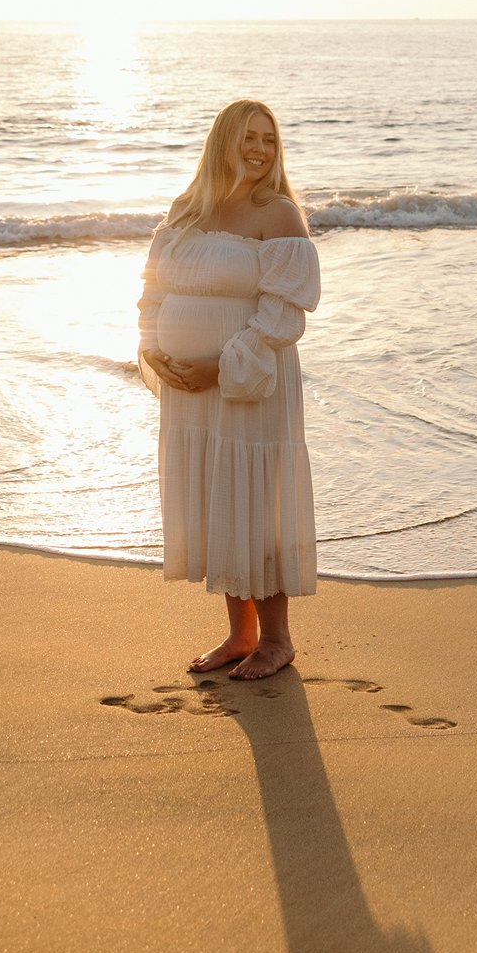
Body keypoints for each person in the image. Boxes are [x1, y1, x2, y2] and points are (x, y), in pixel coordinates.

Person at [138, 100, 320, 681]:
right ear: (222, 142)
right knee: (221, 499)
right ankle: (241, 635)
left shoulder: (280, 215)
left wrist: (219, 367)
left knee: (257, 501)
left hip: (251, 379)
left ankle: (278, 641)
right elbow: (153, 288)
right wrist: (152, 348)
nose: (260, 149)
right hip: (188, 388)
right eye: (248, 137)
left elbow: (281, 317)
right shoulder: (187, 210)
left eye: (269, 138)